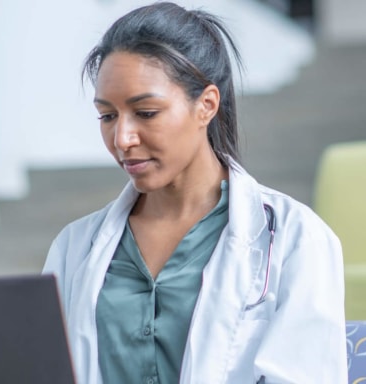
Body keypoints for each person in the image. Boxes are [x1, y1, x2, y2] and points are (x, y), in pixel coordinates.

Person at [41, 3, 347, 383]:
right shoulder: (74, 248)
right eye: (107, 116)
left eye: (146, 112)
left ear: (206, 105)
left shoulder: (296, 238)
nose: (122, 138)